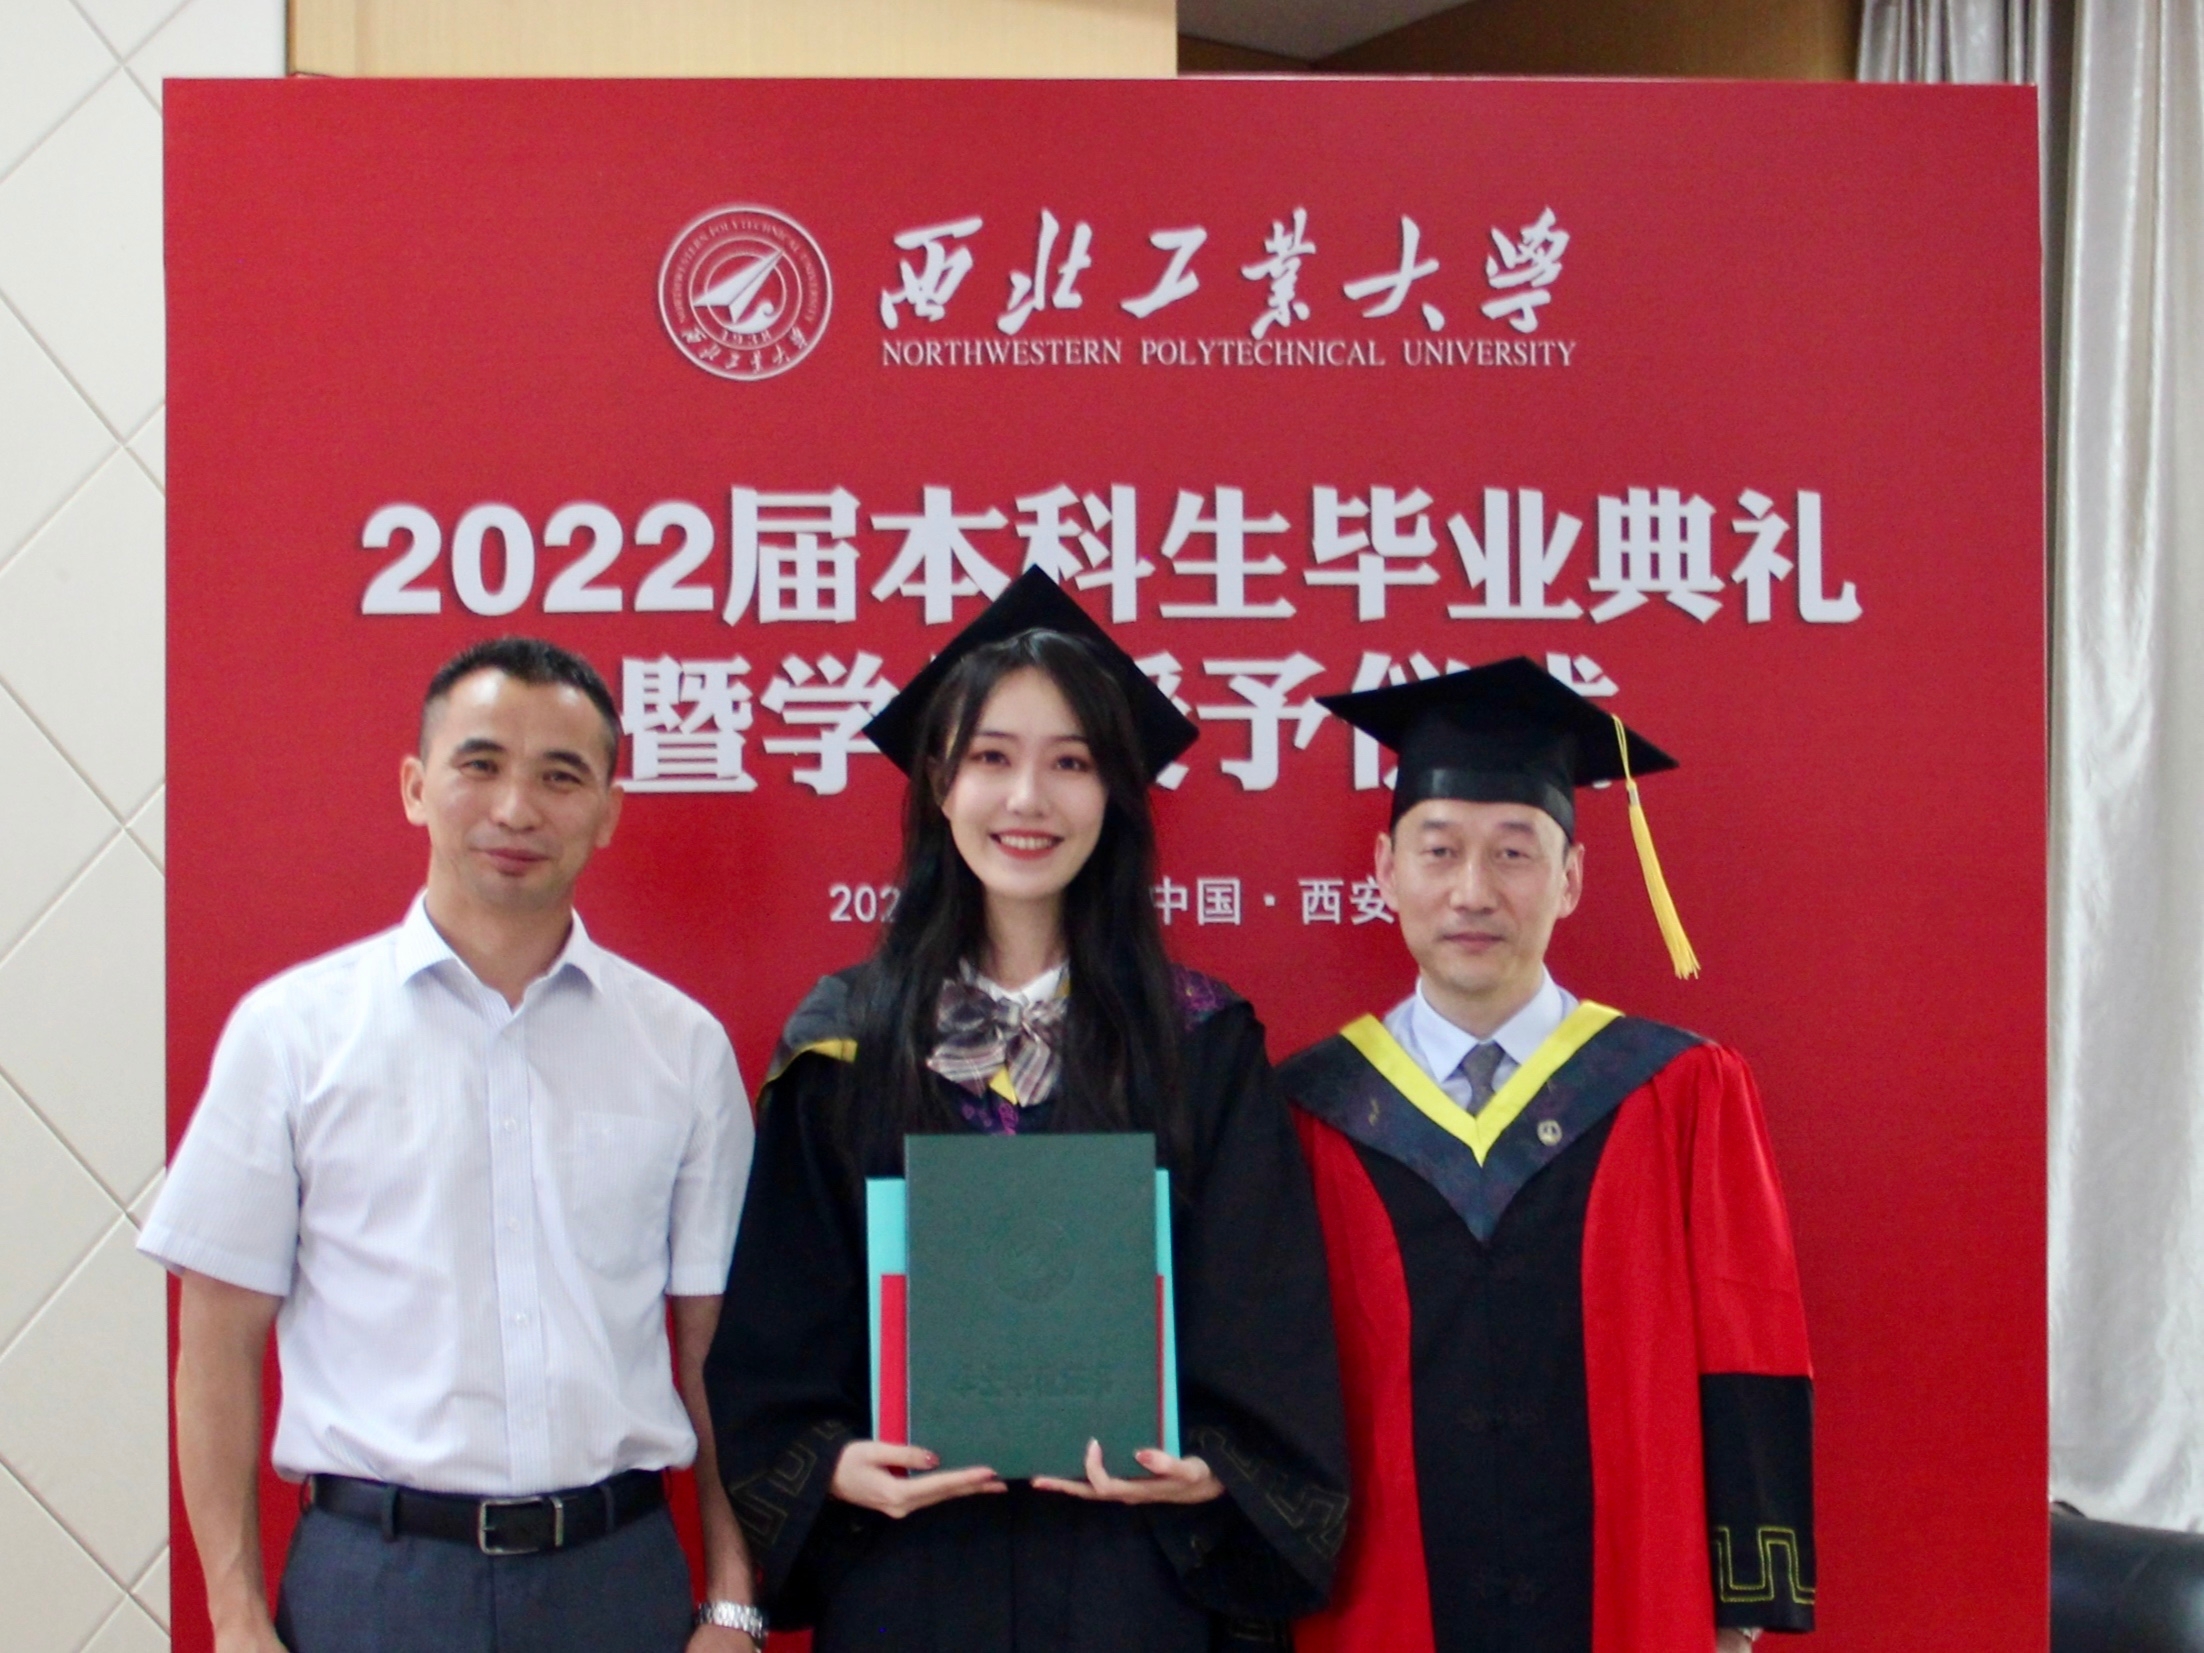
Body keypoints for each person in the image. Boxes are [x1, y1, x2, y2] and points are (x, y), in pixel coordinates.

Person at [704, 569, 1349, 1653]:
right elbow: (777, 1331)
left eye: (1071, 763)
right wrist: (834, 1465)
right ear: (939, 783)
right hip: (912, 1581)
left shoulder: (1198, 1044)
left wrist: (1210, 1471)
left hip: (1134, 1586)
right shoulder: (845, 1044)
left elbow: (1265, 1331)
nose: (1027, 800)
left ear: (1115, 794)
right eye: (991, 758)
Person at [139, 637, 760, 1653]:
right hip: (373, 1582)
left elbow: (716, 1351)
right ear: (415, 787)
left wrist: (732, 1599)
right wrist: (236, 1616)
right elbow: (217, 1342)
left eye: (560, 776)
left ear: (608, 812)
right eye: (480, 764)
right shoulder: (292, 1033)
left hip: (613, 1579)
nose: (516, 808)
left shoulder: (681, 1047)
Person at [1282, 659, 1815, 1653]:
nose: (1472, 890)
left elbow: (1751, 1340)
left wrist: (1738, 1601)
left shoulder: (1678, 1089)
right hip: (1380, 1604)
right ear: (1385, 870)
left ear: (1569, 877)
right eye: (1439, 850)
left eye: (1513, 853)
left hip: (1632, 1594)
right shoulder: (1311, 1108)